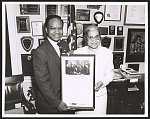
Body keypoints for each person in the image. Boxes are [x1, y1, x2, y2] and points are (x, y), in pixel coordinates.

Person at [32, 15, 72, 114]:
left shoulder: (64, 45)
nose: (57, 32)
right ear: (46, 30)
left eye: (60, 28)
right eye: (53, 28)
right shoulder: (40, 52)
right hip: (50, 105)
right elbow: (43, 82)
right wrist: (56, 103)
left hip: (66, 99)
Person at [73, 24, 114, 115]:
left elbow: (110, 74)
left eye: (96, 37)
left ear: (100, 37)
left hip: (100, 96)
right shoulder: (78, 53)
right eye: (90, 37)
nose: (94, 41)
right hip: (82, 96)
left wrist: (102, 82)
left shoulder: (107, 53)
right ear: (86, 38)